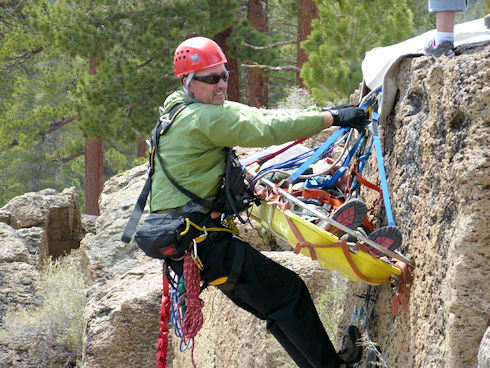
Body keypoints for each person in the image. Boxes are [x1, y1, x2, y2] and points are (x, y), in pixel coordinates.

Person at [152, 36, 370, 368]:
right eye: (211, 78)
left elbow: (258, 115)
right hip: (203, 243)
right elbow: (266, 129)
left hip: (192, 245)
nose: (221, 84)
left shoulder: (178, 112)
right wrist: (333, 117)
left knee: (277, 304)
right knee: (288, 294)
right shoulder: (203, 119)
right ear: (188, 82)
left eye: (224, 75)